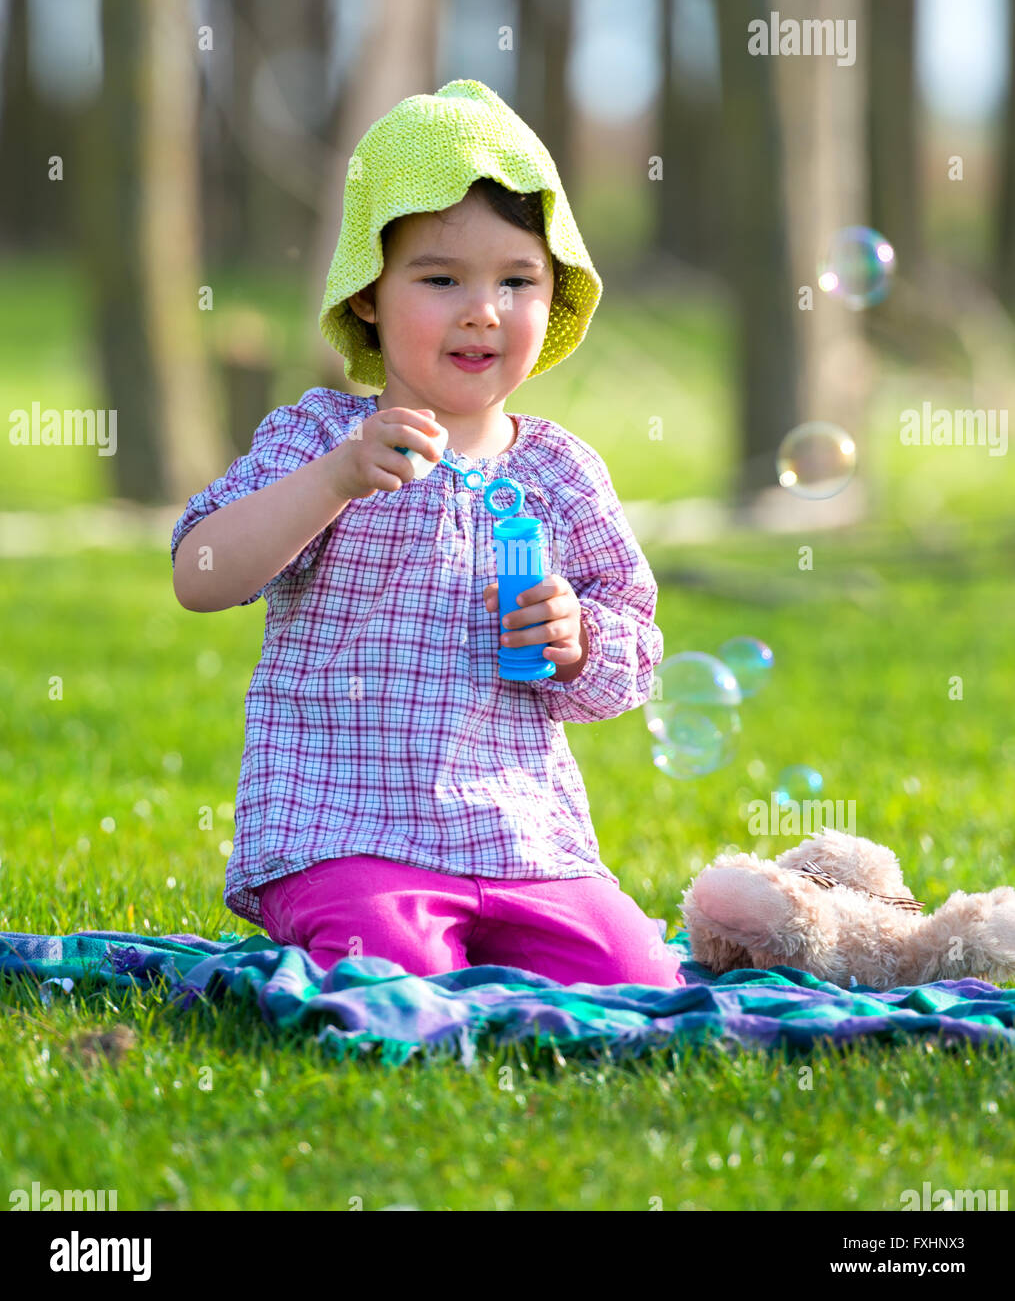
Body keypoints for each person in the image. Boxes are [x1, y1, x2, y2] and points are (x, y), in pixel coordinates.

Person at [171, 79, 684, 988]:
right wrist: (332, 480)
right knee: (392, 974)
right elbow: (201, 572)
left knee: (638, 975)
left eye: (517, 280)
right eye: (441, 278)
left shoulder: (562, 473)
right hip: (342, 833)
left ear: (554, 293)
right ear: (368, 295)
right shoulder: (316, 438)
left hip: (522, 837)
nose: (482, 309)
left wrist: (577, 639)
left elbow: (634, 656)